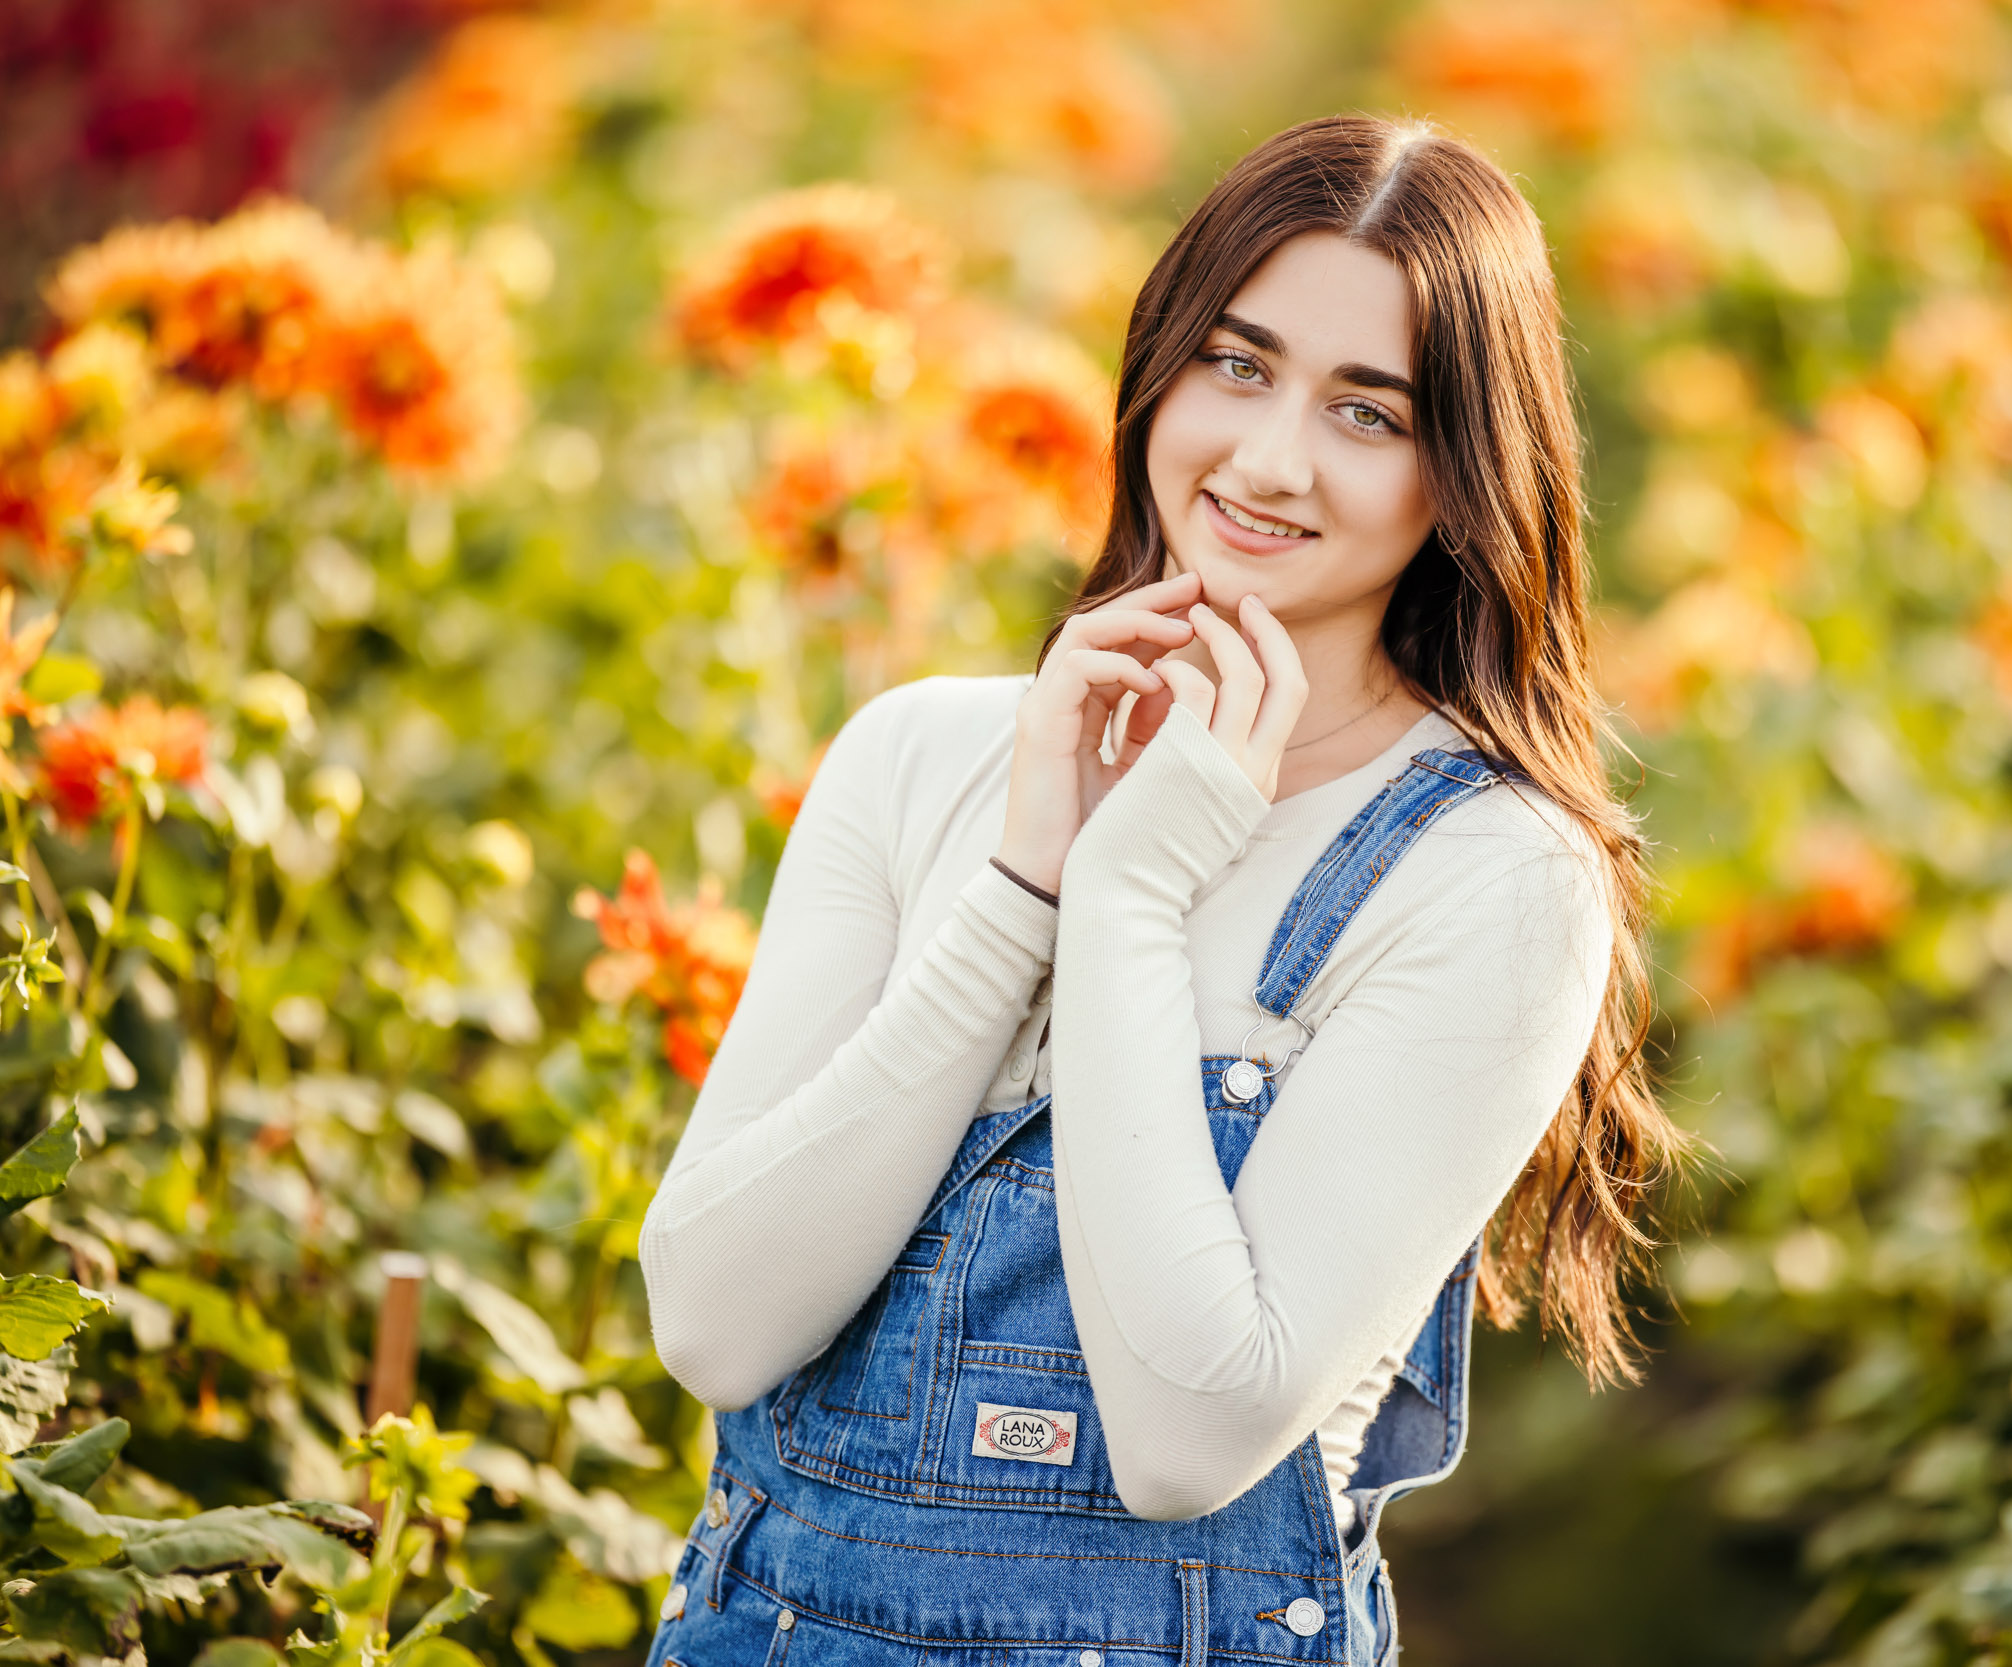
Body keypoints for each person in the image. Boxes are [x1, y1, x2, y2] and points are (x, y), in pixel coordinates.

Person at [640, 111, 1691, 1666]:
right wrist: (1021, 882)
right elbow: (716, 1325)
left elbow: (1190, 1437)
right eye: (1238, 364)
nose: (1268, 460)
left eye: (1370, 412)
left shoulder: (1491, 878)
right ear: (1156, 373)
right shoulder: (924, 758)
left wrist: (1129, 899)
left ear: (1466, 475)